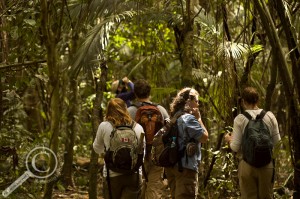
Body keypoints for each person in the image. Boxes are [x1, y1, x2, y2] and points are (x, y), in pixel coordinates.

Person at [224, 86, 281, 199]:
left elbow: (235, 147)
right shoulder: (270, 116)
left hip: (247, 165)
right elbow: (278, 143)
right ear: (258, 100)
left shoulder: (240, 119)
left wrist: (229, 139)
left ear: (243, 102)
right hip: (267, 164)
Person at [93, 98, 144, 199]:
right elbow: (143, 152)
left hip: (111, 174)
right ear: (126, 109)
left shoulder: (104, 126)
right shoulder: (138, 127)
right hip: (134, 174)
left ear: (108, 110)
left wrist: (108, 151)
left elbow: (96, 148)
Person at [127, 79, 169, 199]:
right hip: (157, 154)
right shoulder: (161, 110)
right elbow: (169, 130)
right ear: (149, 93)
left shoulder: (130, 111)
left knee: (138, 187)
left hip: (137, 154)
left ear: (135, 94)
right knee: (154, 187)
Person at [164, 87, 209, 199]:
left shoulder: (174, 117)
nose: (198, 105)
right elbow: (204, 137)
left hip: (172, 166)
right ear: (188, 101)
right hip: (186, 169)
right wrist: (199, 119)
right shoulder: (189, 119)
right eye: (196, 101)